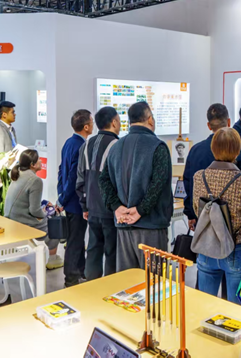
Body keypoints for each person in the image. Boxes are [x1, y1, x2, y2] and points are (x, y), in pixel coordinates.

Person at [99, 102, 173, 272]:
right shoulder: (158, 146)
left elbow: (103, 180)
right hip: (151, 228)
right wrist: (140, 210)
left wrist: (117, 207)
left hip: (123, 226)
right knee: (154, 282)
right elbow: (158, 184)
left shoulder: (116, 147)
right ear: (150, 119)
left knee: (128, 282)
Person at [192, 128, 241, 304]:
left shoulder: (199, 176)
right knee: (236, 311)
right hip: (237, 247)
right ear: (238, 151)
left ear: (213, 148)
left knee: (204, 306)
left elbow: (197, 209)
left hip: (206, 245)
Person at [183, 103, 241, 231]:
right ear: (229, 122)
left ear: (209, 125)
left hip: (203, 222)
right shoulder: (239, 151)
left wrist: (191, 213)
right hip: (233, 226)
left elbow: (188, 184)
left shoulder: (195, 151)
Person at [76, 107, 120, 281]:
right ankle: (110, 288)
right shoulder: (117, 145)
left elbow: (80, 178)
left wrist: (84, 206)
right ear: (114, 122)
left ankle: (92, 287)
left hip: (92, 208)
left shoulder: (86, 144)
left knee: (93, 249)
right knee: (112, 251)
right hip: (111, 210)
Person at [6, 150, 63, 269]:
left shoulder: (19, 173)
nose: (41, 161)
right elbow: (34, 211)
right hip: (22, 221)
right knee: (54, 222)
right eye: (39, 159)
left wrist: (43, 209)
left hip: (12, 219)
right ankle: (53, 259)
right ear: (32, 164)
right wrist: (46, 213)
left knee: (48, 211)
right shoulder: (35, 180)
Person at [58, 109, 94, 287]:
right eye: (91, 122)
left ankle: (80, 270)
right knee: (74, 241)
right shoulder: (82, 147)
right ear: (86, 127)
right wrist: (64, 199)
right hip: (76, 202)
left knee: (77, 239)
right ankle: (71, 278)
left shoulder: (68, 143)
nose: (93, 125)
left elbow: (61, 171)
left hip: (69, 200)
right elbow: (74, 177)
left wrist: (60, 196)